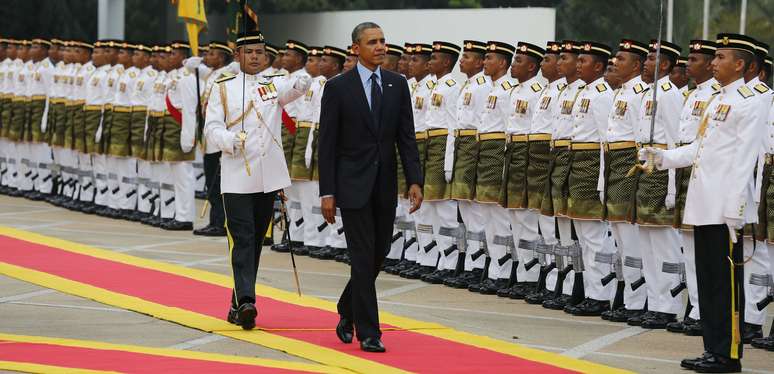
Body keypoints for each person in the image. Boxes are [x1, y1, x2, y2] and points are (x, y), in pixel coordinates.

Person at [641, 32, 763, 373]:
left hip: (725, 206)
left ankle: (728, 354)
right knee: (708, 280)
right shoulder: (716, 99)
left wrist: (736, 206)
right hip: (704, 202)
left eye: (721, 57)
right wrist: (661, 157)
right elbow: (700, 149)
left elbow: (745, 158)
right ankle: (713, 348)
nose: (714, 62)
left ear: (739, 64)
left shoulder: (750, 101)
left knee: (726, 283)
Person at [318, 22, 423, 352]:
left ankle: (347, 307)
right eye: (372, 42)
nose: (381, 47)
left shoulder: (397, 84)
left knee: (378, 254)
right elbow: (328, 145)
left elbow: (406, 136)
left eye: (383, 41)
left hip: (385, 185)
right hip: (351, 186)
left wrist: (415, 180)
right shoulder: (338, 88)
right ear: (355, 48)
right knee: (362, 257)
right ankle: (369, 331)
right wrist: (327, 192)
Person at [204, 30, 310, 330]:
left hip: (267, 177)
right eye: (248, 52)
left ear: (266, 56)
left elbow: (296, 88)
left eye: (260, 52)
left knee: (256, 242)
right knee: (242, 239)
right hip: (237, 175)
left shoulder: (274, 84)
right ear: (237, 56)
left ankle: (237, 303)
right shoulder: (222, 88)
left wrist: (303, 78)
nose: (254, 56)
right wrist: (227, 139)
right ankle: (248, 300)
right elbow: (211, 127)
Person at [665, 39, 718, 337]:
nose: (687, 65)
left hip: (704, 170)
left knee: (702, 247)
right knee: (689, 247)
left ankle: (702, 312)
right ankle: (696, 309)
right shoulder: (690, 93)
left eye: (695, 59)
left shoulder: (716, 95)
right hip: (685, 165)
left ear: (710, 63)